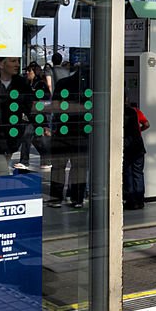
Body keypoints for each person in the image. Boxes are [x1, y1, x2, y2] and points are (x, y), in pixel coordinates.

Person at [48, 66, 89, 208]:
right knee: (80, 167)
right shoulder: (91, 86)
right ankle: (77, 199)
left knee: (59, 167)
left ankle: (56, 198)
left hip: (62, 131)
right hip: (82, 132)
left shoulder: (62, 83)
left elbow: (54, 106)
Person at [123, 101, 146, 210]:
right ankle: (140, 201)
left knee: (128, 173)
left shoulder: (118, 112)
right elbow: (147, 124)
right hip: (138, 145)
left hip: (127, 146)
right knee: (138, 173)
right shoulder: (136, 111)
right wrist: (139, 131)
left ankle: (131, 201)